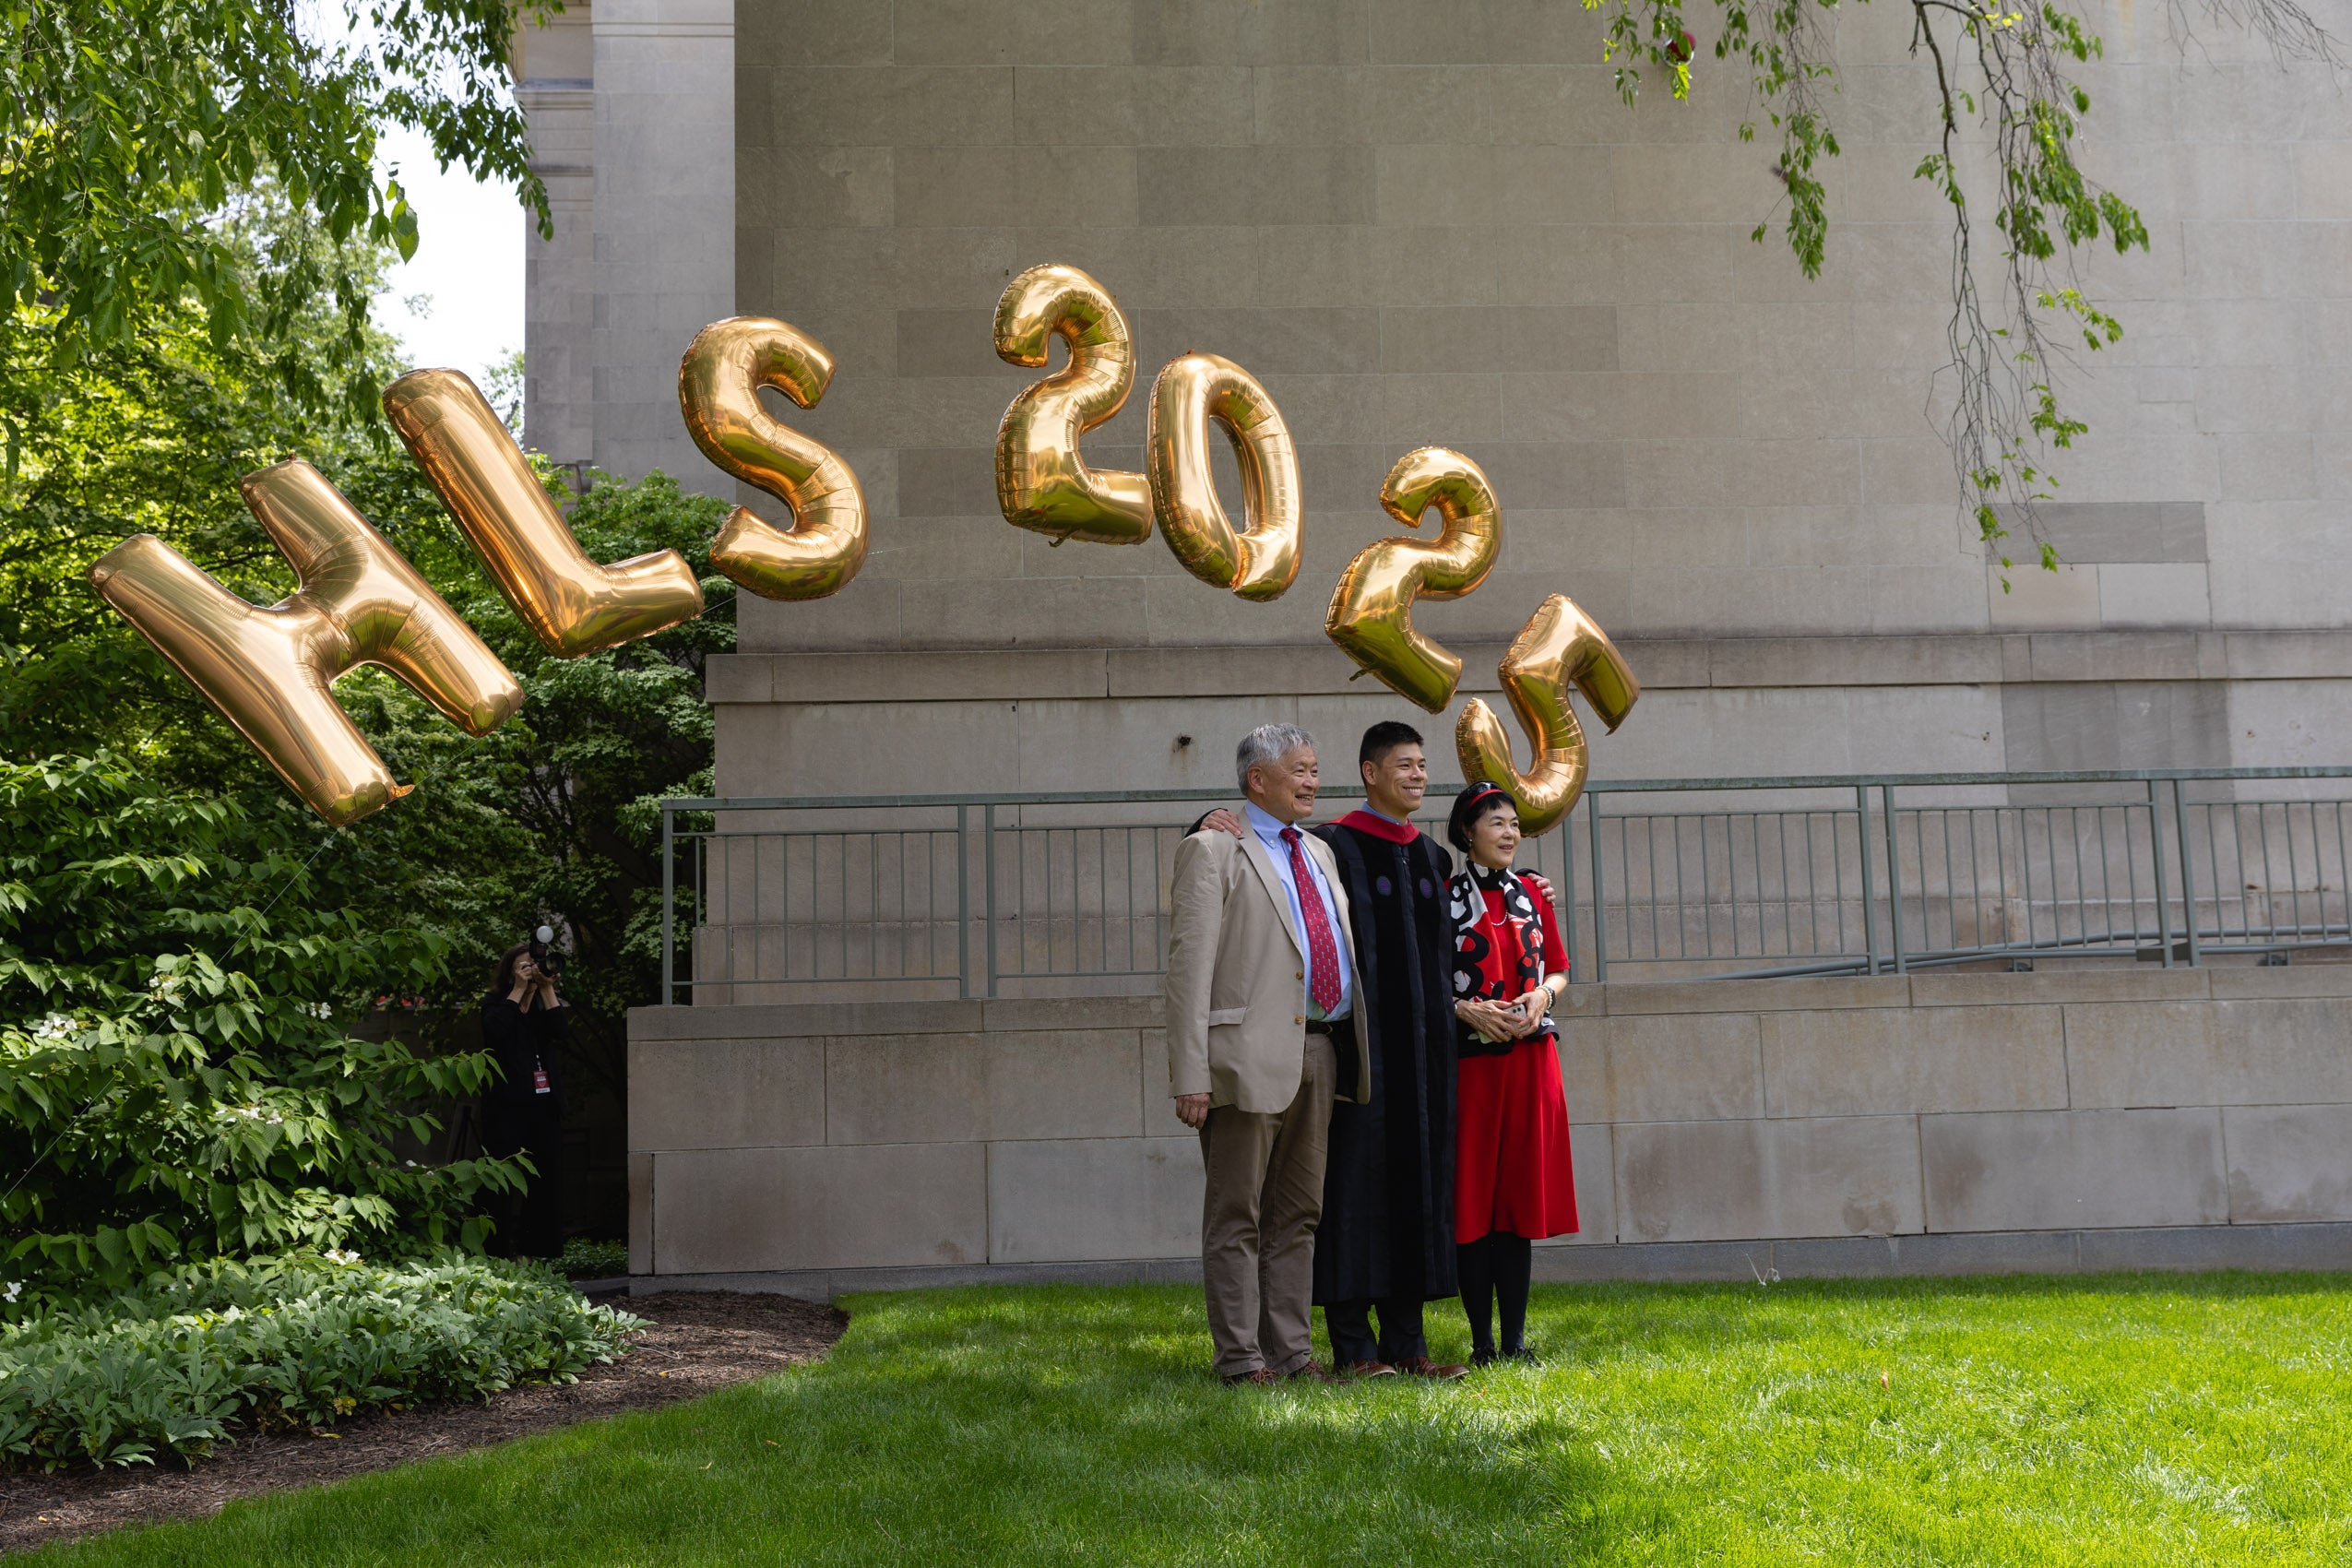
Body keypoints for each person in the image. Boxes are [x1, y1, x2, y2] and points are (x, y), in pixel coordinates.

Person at [1195, 721, 1467, 1380]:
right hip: (1324, 1051)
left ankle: (1399, 1342)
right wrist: (1204, 819)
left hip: (1397, 1063)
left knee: (1359, 1202)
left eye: (1423, 765)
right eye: (1404, 764)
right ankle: (1342, 1344)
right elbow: (1237, 864)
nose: (1418, 776)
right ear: (1371, 771)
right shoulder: (1335, 844)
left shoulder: (1427, 858)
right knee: (1335, 1196)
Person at [1167, 723, 1364, 1385]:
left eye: (1315, 768)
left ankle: (1291, 1354)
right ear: (1258, 779)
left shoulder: (1319, 852)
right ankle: (1240, 1360)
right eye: (1300, 770)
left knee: (1298, 1215)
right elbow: (1188, 973)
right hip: (1243, 1061)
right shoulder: (1214, 848)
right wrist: (1189, 1074)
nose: (1312, 780)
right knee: (1237, 1215)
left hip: (1321, 1050)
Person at [1446, 781, 1579, 1365]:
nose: (1508, 833)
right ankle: (1480, 1344)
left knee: (1517, 1204)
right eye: (1495, 823)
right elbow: (1431, 978)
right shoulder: (1442, 896)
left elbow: (1560, 969)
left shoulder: (1534, 892)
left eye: (1514, 824)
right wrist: (1463, 1009)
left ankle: (1516, 1341)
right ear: (1467, 832)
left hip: (1531, 1062)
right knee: (1475, 1202)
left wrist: (1542, 999)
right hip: (1471, 1066)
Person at [481, 941, 571, 1259]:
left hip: (543, 1107)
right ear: (509, 972)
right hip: (505, 1108)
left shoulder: (542, 1007)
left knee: (546, 1180)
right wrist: (518, 989)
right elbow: (494, 1032)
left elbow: (562, 1031)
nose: (532, 971)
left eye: (535, 965)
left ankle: (542, 1253)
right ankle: (497, 1253)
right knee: (501, 1181)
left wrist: (546, 990)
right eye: (524, 966)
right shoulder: (495, 1004)